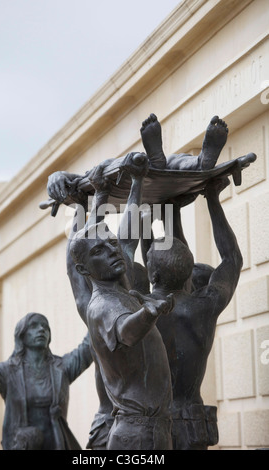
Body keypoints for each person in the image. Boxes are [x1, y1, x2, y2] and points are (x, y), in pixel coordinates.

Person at [67, 153, 175, 451]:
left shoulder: (119, 288)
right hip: (138, 436)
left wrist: (137, 182)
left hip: (149, 431)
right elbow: (126, 331)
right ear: (84, 269)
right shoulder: (102, 304)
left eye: (111, 244)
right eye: (100, 251)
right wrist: (148, 313)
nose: (113, 251)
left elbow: (127, 234)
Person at [141, 176, 243, 449]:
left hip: (151, 424)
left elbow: (141, 261)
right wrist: (212, 198)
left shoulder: (139, 307)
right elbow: (232, 258)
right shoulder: (204, 307)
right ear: (190, 273)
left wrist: (144, 211)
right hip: (191, 421)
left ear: (153, 274)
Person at [0, 313, 93, 450]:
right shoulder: (9, 371)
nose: (41, 329)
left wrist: (95, 313)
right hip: (22, 445)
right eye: (34, 326)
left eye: (45, 327)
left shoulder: (62, 368)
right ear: (21, 335)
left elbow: (88, 349)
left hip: (56, 443)